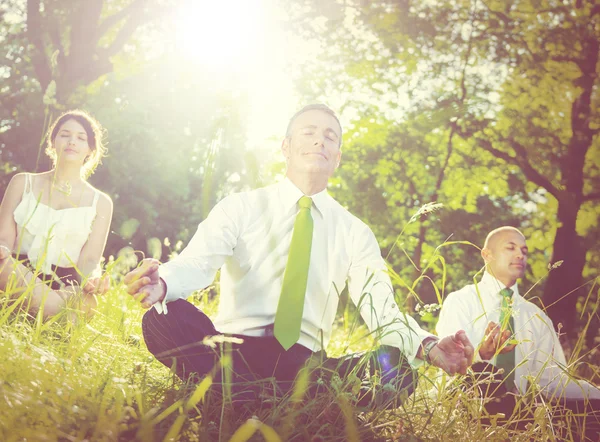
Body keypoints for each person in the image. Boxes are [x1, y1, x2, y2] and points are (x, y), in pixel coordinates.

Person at [125, 104, 473, 407]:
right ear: (286, 148)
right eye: (309, 132)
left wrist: (428, 345)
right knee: (162, 318)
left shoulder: (354, 232)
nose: (320, 140)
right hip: (231, 352)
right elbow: (198, 263)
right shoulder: (241, 207)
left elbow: (381, 309)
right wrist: (162, 283)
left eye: (330, 137)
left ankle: (249, 398)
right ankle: (251, 394)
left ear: (337, 158)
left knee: (396, 370)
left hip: (309, 369)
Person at [437, 226, 600, 439]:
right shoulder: (461, 301)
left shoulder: (536, 316)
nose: (519, 255)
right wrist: (480, 355)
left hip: (521, 415)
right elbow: (449, 360)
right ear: (487, 255)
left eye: (524, 250)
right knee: (485, 374)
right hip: (465, 405)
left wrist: (596, 396)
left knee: (590, 409)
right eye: (510, 247)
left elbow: (554, 381)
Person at [0, 110, 113, 319]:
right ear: (52, 142)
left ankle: (31, 311)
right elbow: (4, 238)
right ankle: (52, 317)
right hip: (17, 272)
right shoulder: (22, 182)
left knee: (89, 301)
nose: (72, 141)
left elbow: (89, 260)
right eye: (65, 134)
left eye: (81, 138)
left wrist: (93, 279)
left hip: (64, 284)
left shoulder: (102, 202)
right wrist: (2, 249)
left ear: (90, 149)